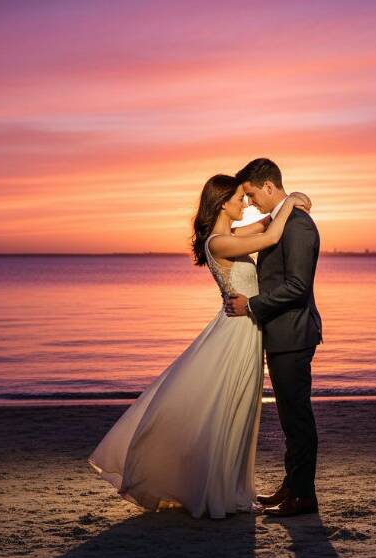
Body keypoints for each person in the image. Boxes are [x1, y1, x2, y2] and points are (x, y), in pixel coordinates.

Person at [88, 174, 311, 519]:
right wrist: (293, 200)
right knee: (226, 407)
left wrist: (288, 201)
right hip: (235, 334)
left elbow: (269, 222)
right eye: (240, 198)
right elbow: (271, 234)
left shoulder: (231, 235)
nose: (246, 204)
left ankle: (232, 485)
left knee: (241, 410)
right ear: (223, 202)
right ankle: (215, 489)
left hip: (248, 331)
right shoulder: (217, 243)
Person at [225, 158, 323, 517]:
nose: (250, 203)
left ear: (268, 186)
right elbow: (259, 232)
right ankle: (293, 484)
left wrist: (251, 306)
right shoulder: (283, 221)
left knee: (297, 417)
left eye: (251, 195)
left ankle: (303, 496)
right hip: (282, 333)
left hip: (293, 334)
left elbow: (297, 286)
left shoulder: (298, 226)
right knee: (289, 416)